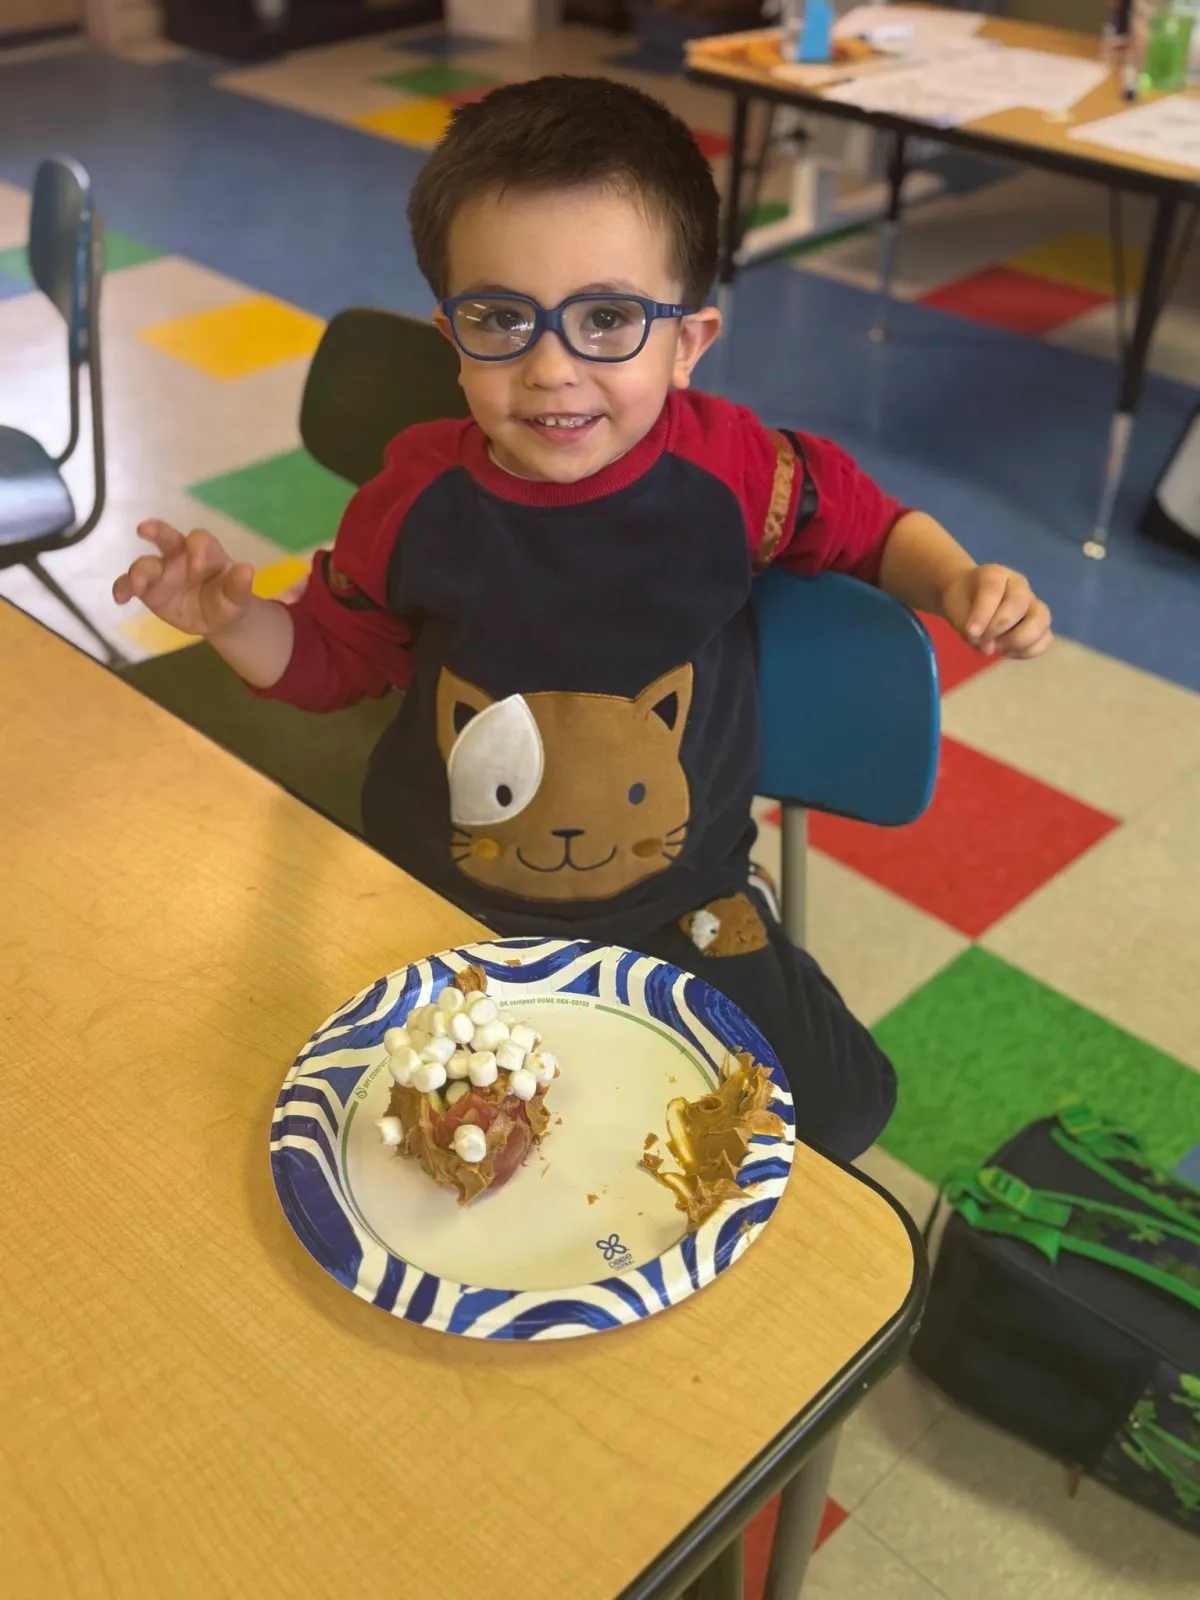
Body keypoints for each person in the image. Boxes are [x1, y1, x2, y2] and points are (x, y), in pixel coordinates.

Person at [113, 76, 1052, 1161]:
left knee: (832, 1117)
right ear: (452, 333)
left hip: (683, 901)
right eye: (501, 318)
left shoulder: (736, 471)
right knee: (387, 1137)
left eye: (608, 318)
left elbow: (867, 526)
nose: (552, 368)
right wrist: (233, 620)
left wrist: (955, 579)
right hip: (441, 894)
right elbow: (335, 658)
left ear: (688, 341)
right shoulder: (415, 495)